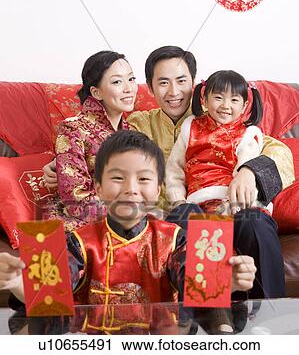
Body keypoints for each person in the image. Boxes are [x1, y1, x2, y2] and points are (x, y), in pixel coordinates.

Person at [43, 46, 293, 298]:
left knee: (257, 222)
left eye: (181, 81)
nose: (174, 92)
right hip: (171, 216)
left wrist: (250, 171)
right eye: (163, 83)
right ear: (150, 88)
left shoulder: (221, 114)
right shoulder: (137, 124)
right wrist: (59, 165)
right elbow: (99, 154)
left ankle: (271, 322)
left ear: (195, 85)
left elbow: (279, 151)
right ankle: (202, 314)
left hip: (229, 206)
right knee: (187, 215)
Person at [0, 130, 256, 335]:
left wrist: (223, 282)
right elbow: (54, 284)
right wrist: (20, 284)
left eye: (143, 179)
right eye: (118, 178)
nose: (131, 189)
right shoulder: (77, 241)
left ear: (159, 190)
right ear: (98, 188)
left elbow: (193, 274)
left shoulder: (178, 239)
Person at [43, 50, 137, 231]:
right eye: (117, 81)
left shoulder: (132, 132)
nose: (128, 88)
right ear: (96, 92)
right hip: (83, 221)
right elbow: (75, 197)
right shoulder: (72, 129)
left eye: (131, 79)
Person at [166, 70, 277, 215]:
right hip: (197, 201)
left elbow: (245, 172)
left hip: (232, 201)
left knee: (249, 219)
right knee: (183, 217)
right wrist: (178, 200)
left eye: (234, 100)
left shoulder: (247, 135)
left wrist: (232, 203)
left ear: (244, 106)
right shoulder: (189, 128)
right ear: (204, 100)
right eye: (218, 98)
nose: (225, 105)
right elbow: (174, 169)